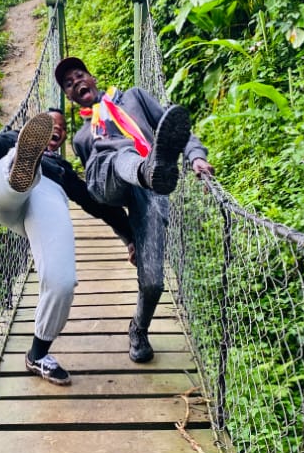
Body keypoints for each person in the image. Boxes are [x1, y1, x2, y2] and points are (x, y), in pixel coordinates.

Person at [54, 56, 214, 365]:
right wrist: (127, 237)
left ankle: (138, 330)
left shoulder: (135, 97)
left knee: (153, 282)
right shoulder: (82, 138)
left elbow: (176, 128)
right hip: (108, 179)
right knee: (118, 154)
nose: (75, 83)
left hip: (152, 190)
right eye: (69, 85)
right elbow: (102, 204)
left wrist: (195, 156)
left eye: (78, 76)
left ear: (92, 77)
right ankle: (148, 167)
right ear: (71, 99)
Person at [0, 108, 135, 386]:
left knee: (62, 282)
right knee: (14, 158)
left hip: (45, 193)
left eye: (60, 127)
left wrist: (130, 237)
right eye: (49, 125)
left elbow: (96, 204)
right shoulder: (13, 138)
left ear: (62, 138)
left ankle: (38, 354)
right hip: (3, 190)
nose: (56, 129)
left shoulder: (62, 169)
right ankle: (23, 164)